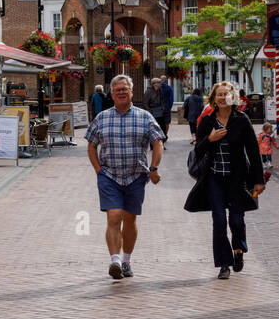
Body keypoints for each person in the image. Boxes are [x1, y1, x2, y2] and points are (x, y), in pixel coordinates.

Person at [85, 74, 165, 280]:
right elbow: (91, 145)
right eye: (117, 89)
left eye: (125, 89)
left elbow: (158, 142)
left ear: (131, 92)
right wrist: (98, 170)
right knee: (114, 216)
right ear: (111, 94)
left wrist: (154, 168)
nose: (121, 92)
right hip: (109, 175)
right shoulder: (101, 118)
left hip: (135, 176)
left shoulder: (144, 117)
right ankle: (115, 261)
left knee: (130, 219)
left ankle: (126, 260)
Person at [184, 81, 266, 280]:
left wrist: (258, 180)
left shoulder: (241, 120)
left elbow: (253, 152)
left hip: (237, 179)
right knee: (219, 221)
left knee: (237, 221)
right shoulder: (206, 122)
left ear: (233, 97)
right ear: (213, 99)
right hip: (214, 178)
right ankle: (224, 264)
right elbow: (198, 151)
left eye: (226, 94)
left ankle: (238, 249)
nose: (222, 98)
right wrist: (209, 139)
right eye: (219, 95)